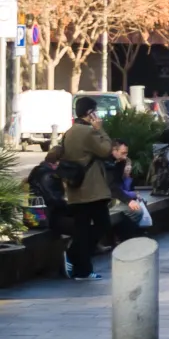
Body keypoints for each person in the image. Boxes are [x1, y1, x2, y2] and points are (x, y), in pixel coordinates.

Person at [47, 97, 117, 281]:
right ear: (89, 113)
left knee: (82, 229)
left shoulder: (70, 132)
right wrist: (100, 129)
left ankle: (82, 270)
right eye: (95, 112)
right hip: (92, 190)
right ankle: (72, 253)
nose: (97, 115)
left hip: (75, 189)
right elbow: (106, 150)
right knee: (102, 226)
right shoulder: (88, 132)